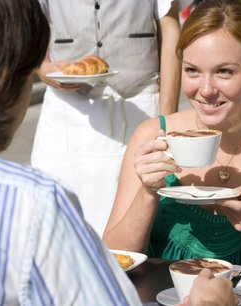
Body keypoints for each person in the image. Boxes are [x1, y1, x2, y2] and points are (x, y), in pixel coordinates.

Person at [0, 0, 236, 304]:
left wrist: (164, 114)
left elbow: (167, 21)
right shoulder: (34, 200)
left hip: (137, 103)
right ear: (8, 79)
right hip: (72, 121)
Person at [104, 0, 241, 292]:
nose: (206, 90)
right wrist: (147, 192)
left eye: (224, 72)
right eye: (193, 70)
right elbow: (111, 260)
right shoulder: (153, 136)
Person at [31, 0, 182, 236]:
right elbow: (30, 23)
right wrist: (43, 68)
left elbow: (169, 26)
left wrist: (166, 116)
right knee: (59, 216)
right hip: (68, 110)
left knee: (142, 212)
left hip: (139, 102)